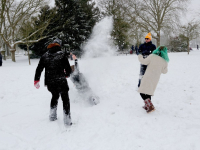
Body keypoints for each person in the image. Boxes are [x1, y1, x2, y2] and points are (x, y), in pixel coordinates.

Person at [34, 39, 72, 126]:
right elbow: (68, 69)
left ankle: (52, 116)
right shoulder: (62, 55)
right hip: (61, 80)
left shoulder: (45, 56)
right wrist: (66, 74)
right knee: (65, 99)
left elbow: (39, 69)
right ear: (59, 45)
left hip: (50, 82)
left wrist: (36, 80)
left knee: (54, 96)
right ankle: (67, 120)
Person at [138, 46, 169, 113]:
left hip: (148, 76)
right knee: (148, 92)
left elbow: (144, 62)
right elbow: (165, 71)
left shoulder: (152, 56)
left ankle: (150, 106)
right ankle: (147, 105)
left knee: (142, 91)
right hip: (155, 78)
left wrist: (140, 56)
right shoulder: (164, 62)